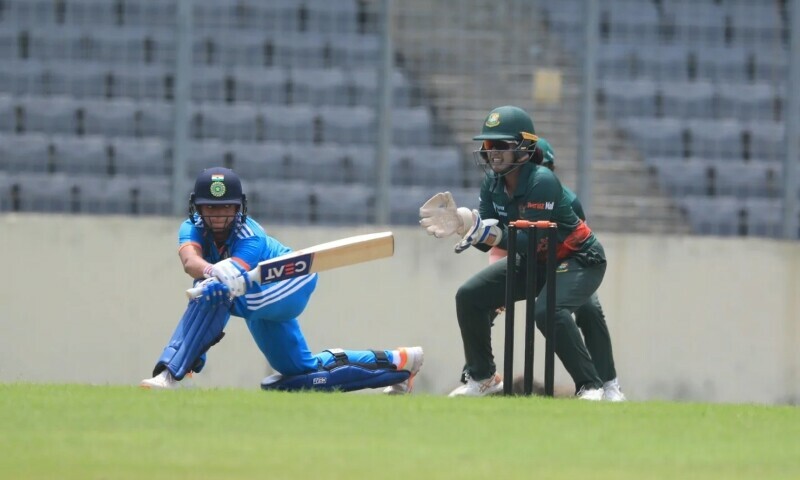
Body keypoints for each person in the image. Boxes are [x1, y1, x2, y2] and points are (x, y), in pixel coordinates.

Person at [140, 167, 423, 394]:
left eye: (225, 208)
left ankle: (174, 373)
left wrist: (218, 279)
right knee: (299, 374)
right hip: (252, 295)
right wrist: (212, 271)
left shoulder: (251, 237)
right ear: (198, 209)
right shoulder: (191, 228)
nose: (218, 216)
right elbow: (191, 262)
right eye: (210, 208)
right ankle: (399, 364)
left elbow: (234, 275)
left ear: (239, 208)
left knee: (214, 294)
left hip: (290, 281)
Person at [419, 105, 608, 400]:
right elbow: (491, 241)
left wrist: (487, 232)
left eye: (500, 145)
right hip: (534, 261)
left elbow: (527, 239)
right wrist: (464, 226)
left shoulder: (541, 181)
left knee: (548, 312)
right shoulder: (492, 183)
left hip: (578, 259)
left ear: (523, 148)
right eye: (487, 145)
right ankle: (483, 377)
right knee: (469, 297)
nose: (492, 152)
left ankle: (591, 385)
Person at [487, 137, 625, 401]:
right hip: (529, 264)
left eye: (545, 168)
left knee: (590, 309)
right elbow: (500, 245)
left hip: (565, 266)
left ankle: (607, 384)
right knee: (485, 299)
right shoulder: (508, 197)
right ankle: (478, 377)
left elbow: (578, 244)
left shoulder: (566, 200)